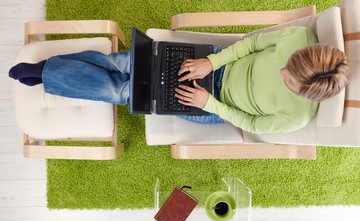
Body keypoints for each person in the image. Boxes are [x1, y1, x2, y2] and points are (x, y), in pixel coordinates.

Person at [8, 26, 350, 134]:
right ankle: (48, 71)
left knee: (125, 89)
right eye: (287, 66)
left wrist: (209, 103)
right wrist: (211, 61)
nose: (281, 73)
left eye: (288, 82)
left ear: (306, 94)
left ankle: (45, 71)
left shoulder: (297, 117)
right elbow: (252, 43)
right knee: (128, 60)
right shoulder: (299, 37)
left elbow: (252, 124)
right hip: (216, 64)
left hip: (216, 105)